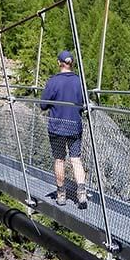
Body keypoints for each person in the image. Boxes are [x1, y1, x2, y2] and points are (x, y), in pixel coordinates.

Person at [39, 51, 87, 209]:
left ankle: (61, 194)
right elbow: (84, 104)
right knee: (76, 159)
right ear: (72, 63)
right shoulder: (80, 81)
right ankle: (81, 193)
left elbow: (43, 105)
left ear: (59, 62)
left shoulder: (53, 81)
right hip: (74, 126)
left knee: (59, 159)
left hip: (57, 128)